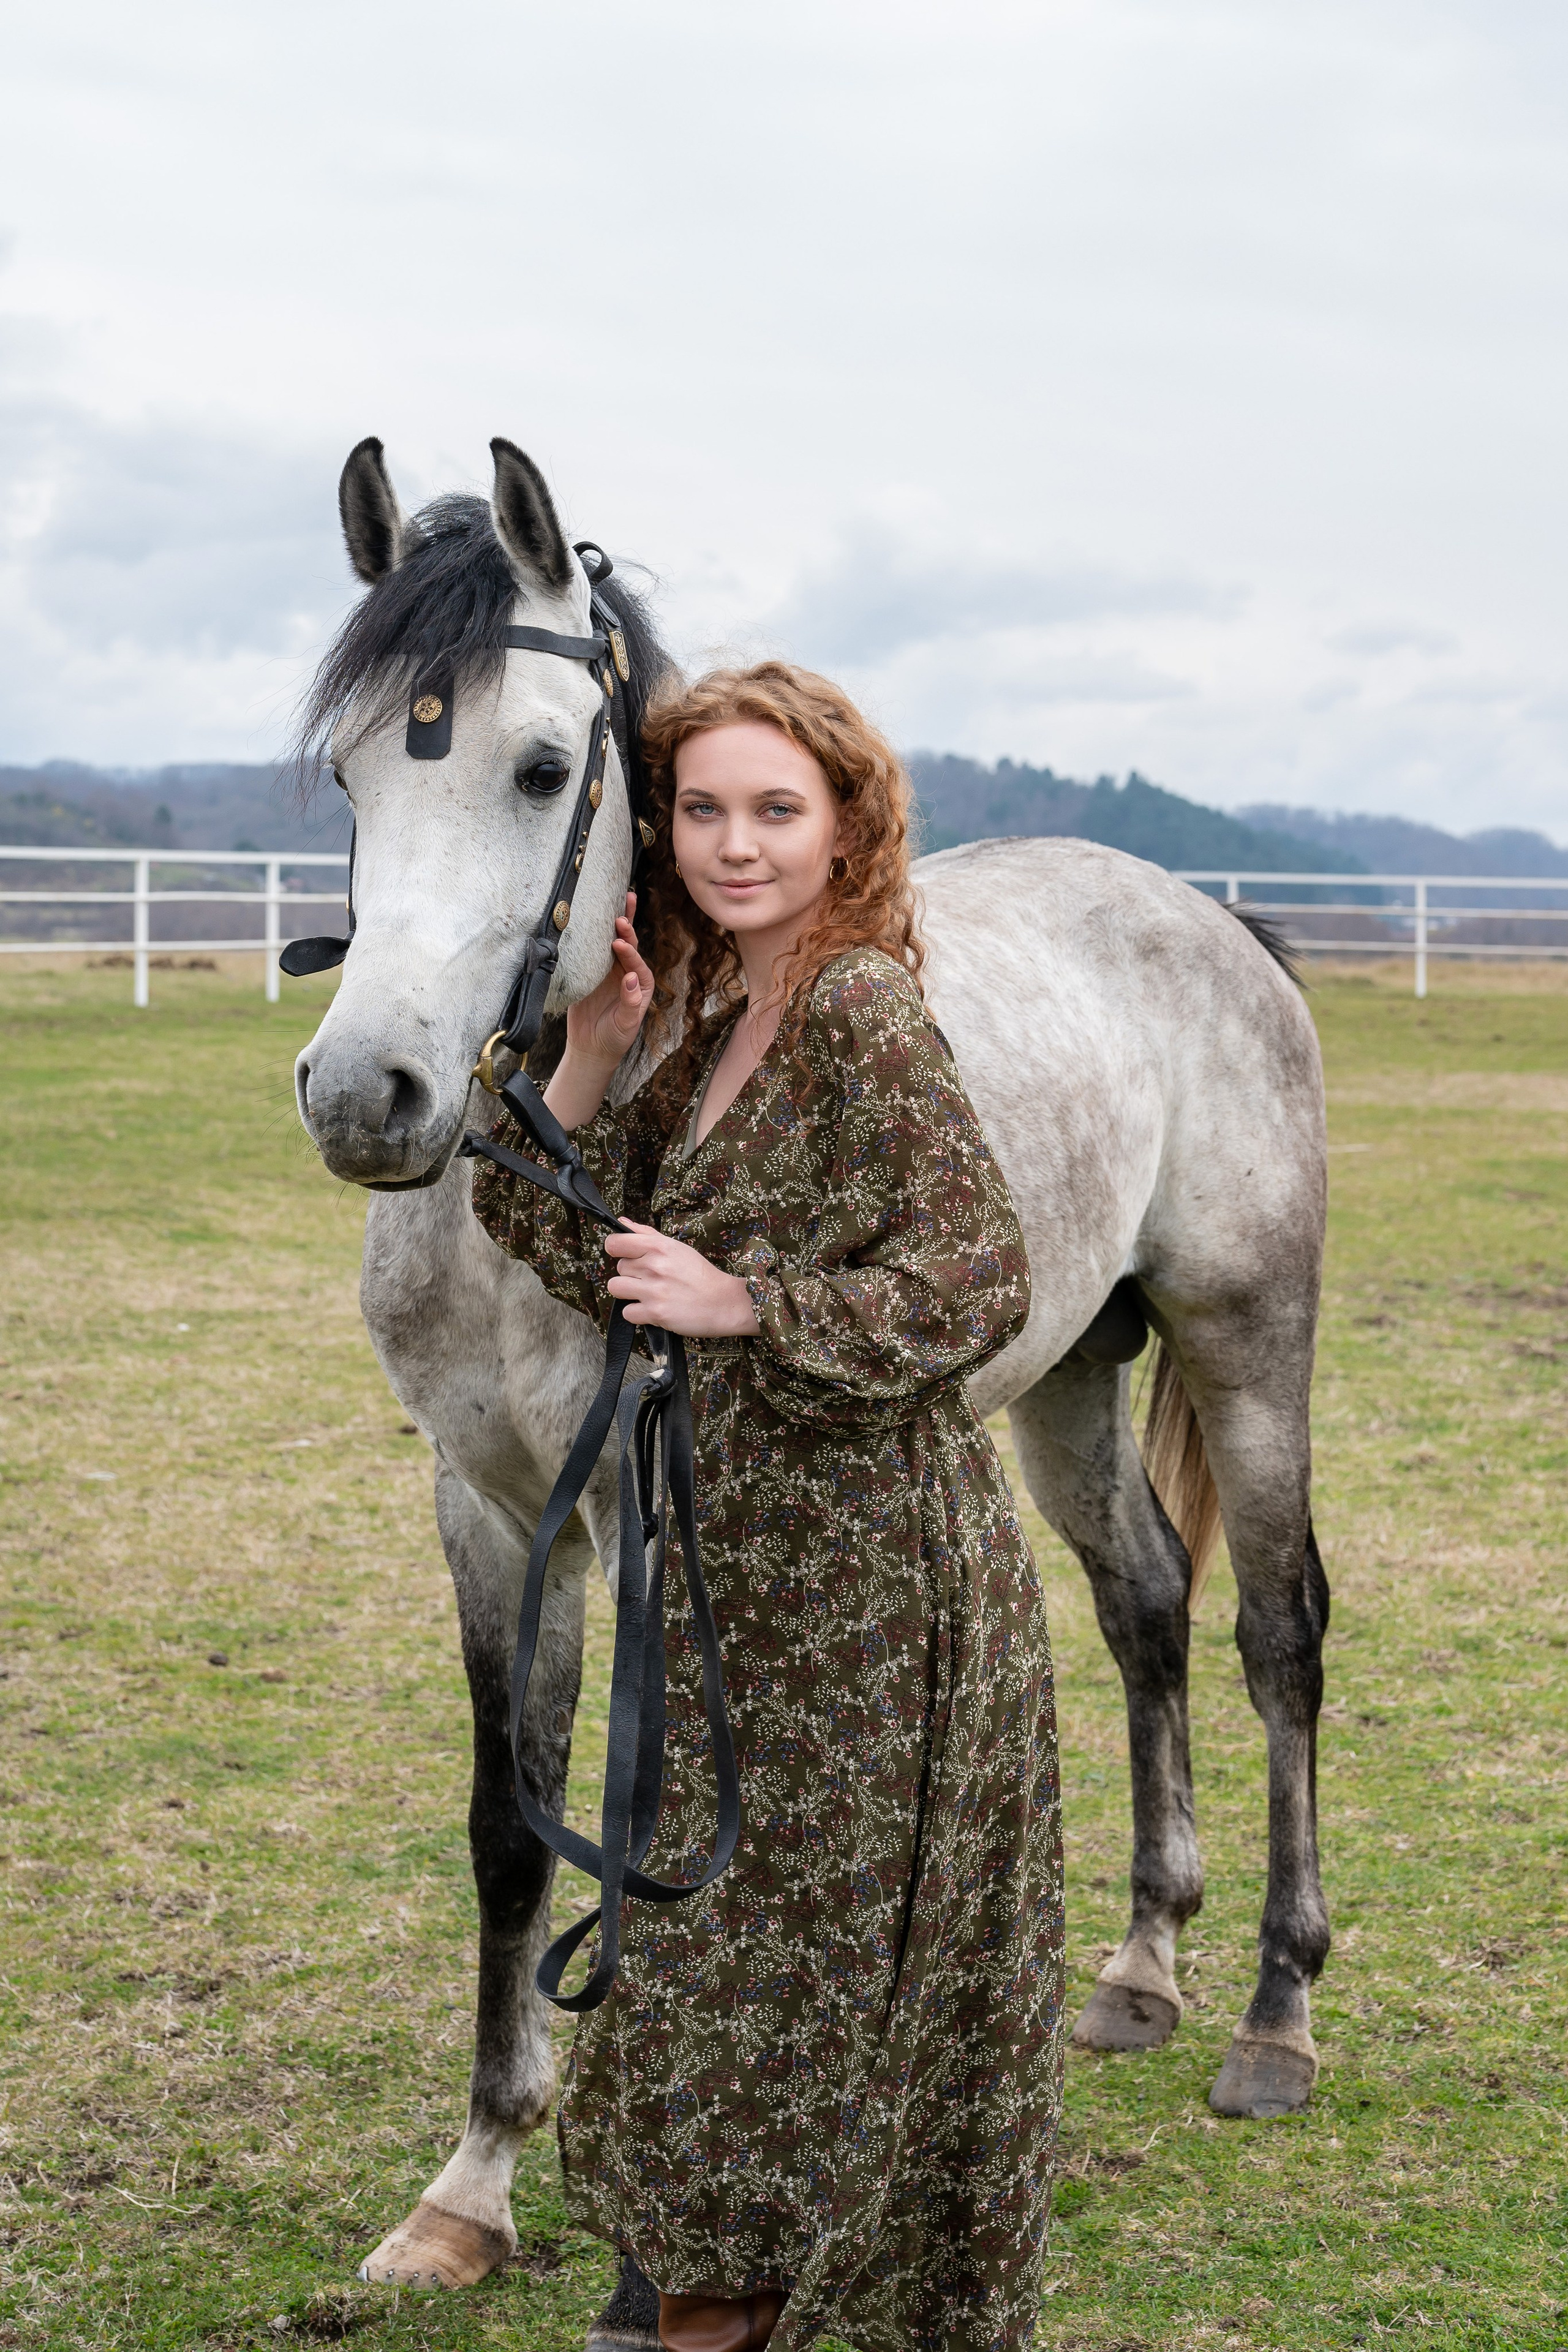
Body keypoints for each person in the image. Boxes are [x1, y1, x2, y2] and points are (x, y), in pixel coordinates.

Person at [472, 663, 1064, 2352]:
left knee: (789, 1994)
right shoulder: (720, 1018)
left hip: (875, 1591)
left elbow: (980, 1281)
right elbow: (562, 1234)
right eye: (704, 809)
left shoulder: (859, 1012)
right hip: (741, 1580)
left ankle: (758, 2301)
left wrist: (753, 1306)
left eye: (776, 811)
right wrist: (587, 1052)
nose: (736, 844)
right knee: (726, 1981)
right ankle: (717, 2292)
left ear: (847, 826)